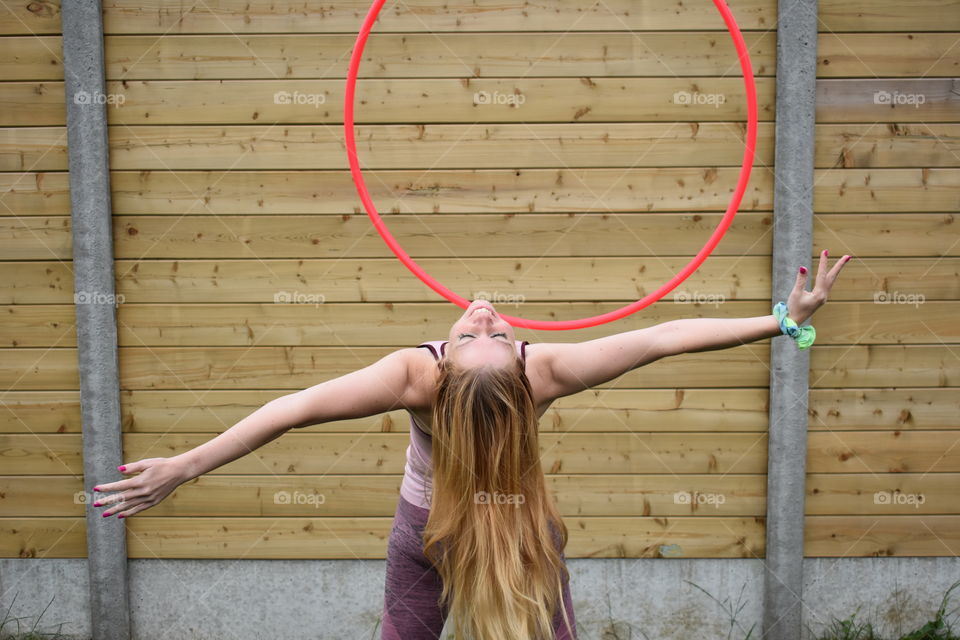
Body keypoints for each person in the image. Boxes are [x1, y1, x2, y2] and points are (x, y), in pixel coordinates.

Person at [92, 250, 852, 640]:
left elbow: (290, 410)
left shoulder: (414, 374)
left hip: (427, 534)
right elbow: (659, 339)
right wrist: (781, 323)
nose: (486, 317)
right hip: (524, 532)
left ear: (441, 367)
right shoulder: (543, 370)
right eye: (488, 331)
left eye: (481, 331)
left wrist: (187, 466)